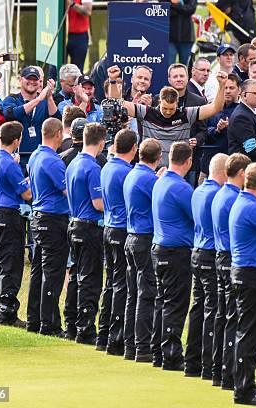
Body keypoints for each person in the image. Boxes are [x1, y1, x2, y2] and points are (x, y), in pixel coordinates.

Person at [106, 65, 228, 168]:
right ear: (159, 102)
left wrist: (222, 86)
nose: (168, 112)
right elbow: (116, 102)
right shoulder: (147, 113)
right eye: (165, 108)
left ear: (177, 104)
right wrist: (112, 80)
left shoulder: (186, 114)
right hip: (150, 169)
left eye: (171, 109)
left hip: (177, 169)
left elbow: (215, 108)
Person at [150, 142, 195, 370]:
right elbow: (197, 217)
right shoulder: (181, 187)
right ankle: (171, 355)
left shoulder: (161, 181)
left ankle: (158, 351)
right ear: (188, 161)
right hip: (176, 251)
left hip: (160, 249)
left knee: (162, 302)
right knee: (175, 305)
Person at [228, 162, 256, 405]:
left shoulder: (246, 203)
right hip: (251, 275)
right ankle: (243, 389)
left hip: (245, 273)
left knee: (247, 331)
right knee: (249, 334)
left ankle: (244, 385)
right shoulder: (253, 208)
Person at [210, 153, 251, 390]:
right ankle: (228, 374)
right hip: (230, 258)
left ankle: (219, 370)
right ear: (243, 174)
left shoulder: (222, 193)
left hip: (220, 256)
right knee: (232, 319)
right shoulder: (234, 199)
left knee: (223, 317)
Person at [185, 153, 228, 380]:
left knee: (198, 307)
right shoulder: (218, 194)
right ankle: (209, 363)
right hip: (211, 253)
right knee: (212, 310)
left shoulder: (198, 190)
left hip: (197, 251)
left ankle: (192, 361)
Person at [123, 138, 166, 363]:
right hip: (144, 238)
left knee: (134, 294)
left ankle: (131, 344)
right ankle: (142, 346)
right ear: (158, 158)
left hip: (131, 237)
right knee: (147, 294)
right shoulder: (149, 179)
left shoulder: (132, 173)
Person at [0, 121, 32, 327]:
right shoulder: (10, 164)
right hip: (9, 213)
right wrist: (30, 179)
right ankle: (8, 313)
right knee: (11, 264)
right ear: (17, 140)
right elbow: (26, 193)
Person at [26, 118, 70, 336]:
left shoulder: (35, 155)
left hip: (39, 216)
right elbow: (66, 191)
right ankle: (49, 323)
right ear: (58, 134)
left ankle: (34, 319)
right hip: (53, 218)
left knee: (38, 270)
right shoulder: (52, 161)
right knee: (53, 273)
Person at [65, 122, 107, 345]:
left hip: (74, 224)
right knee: (90, 279)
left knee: (75, 276)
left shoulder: (73, 163)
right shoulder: (93, 168)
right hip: (90, 225)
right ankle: (86, 328)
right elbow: (98, 203)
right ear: (101, 143)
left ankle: (71, 323)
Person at [101, 129, 138, 355]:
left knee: (111, 283)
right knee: (122, 285)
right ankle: (116, 338)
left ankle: (105, 332)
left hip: (108, 227)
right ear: (134, 148)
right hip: (122, 229)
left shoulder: (107, 166)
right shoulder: (126, 172)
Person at [2, 67, 58, 159]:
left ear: (40, 82)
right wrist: (38, 99)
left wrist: (49, 97)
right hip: (17, 158)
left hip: (39, 158)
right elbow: (11, 114)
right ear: (21, 80)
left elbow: (56, 120)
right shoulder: (12, 99)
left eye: (35, 79)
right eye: (28, 78)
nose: (32, 82)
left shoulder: (45, 101)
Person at [200, 74, 241, 182]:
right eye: (225, 87)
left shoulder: (242, 111)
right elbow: (202, 132)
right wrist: (216, 130)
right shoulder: (211, 108)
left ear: (239, 90)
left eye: (231, 88)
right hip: (208, 166)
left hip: (232, 168)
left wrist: (230, 127)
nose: (227, 91)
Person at [166, 0, 197, 65]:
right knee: (169, 66)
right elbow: (165, 9)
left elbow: (190, 9)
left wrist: (175, 4)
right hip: (169, 37)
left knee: (186, 67)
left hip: (187, 37)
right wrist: (182, 7)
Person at [66, 0, 92, 72]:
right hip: (60, 36)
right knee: (54, 71)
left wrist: (72, 4)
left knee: (76, 72)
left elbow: (88, 11)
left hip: (79, 36)